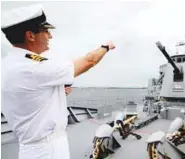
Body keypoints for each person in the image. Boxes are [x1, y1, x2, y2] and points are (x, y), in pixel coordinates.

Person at [1, 4, 115, 159]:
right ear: (30, 36)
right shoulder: (33, 67)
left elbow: (29, 98)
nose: (50, 36)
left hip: (32, 147)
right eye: (45, 31)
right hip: (47, 150)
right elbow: (89, 61)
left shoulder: (11, 62)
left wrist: (57, 93)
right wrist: (106, 47)